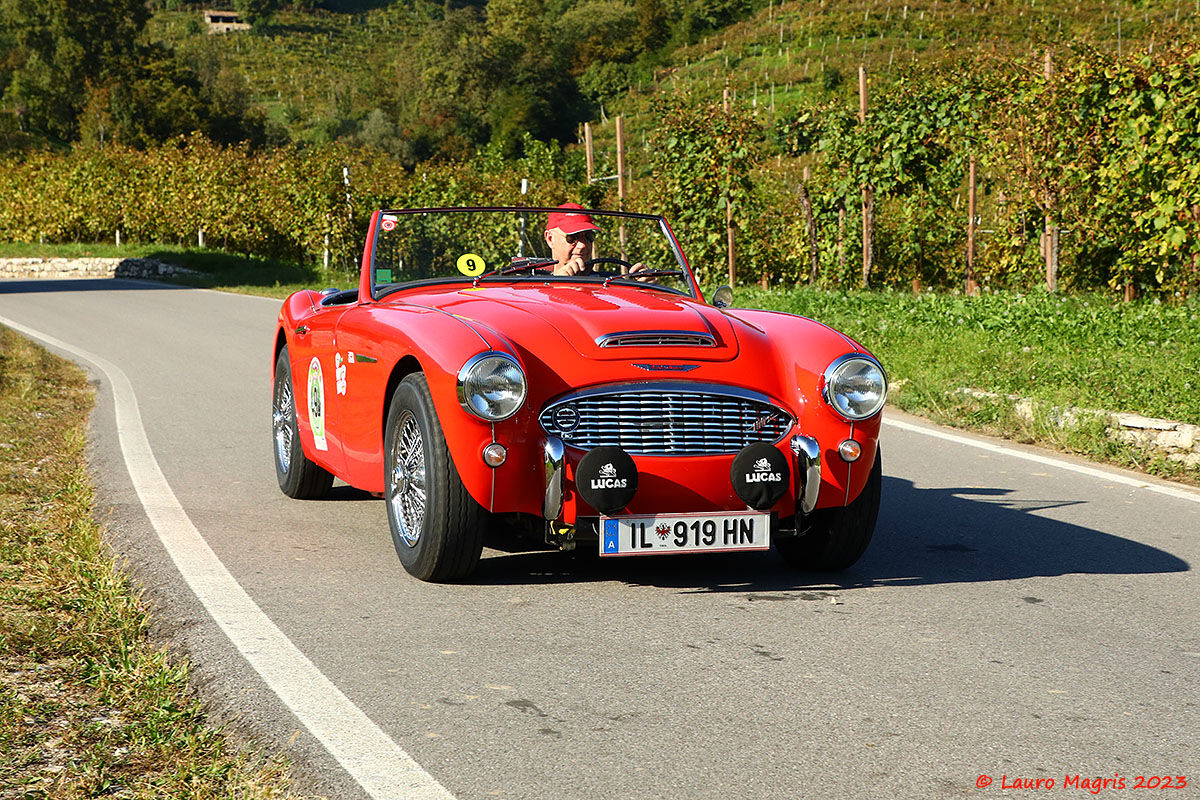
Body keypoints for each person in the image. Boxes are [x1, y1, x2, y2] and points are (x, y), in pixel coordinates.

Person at [543, 203, 648, 278]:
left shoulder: (611, 282)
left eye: (589, 236)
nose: (583, 245)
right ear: (550, 239)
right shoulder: (534, 288)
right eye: (572, 237)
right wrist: (557, 283)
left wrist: (644, 288)